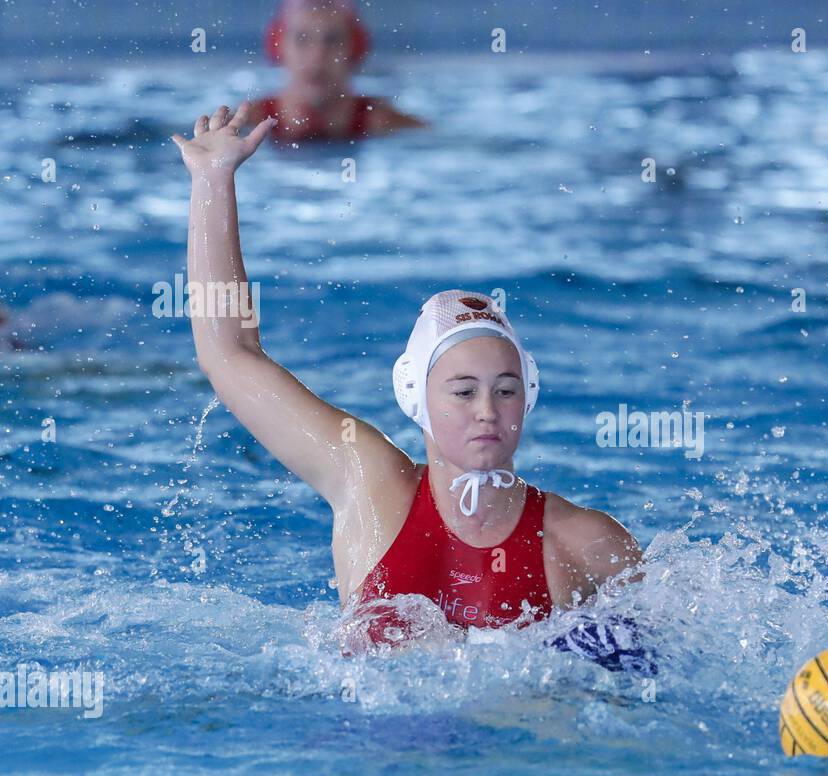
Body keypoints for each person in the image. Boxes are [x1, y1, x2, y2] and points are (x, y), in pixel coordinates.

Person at [170, 102, 643, 651]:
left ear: (528, 395)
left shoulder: (586, 544)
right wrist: (211, 181)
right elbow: (229, 354)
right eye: (463, 391)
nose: (487, 410)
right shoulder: (369, 488)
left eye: (505, 390)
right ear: (414, 395)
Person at [248, 0, 425, 143]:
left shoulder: (386, 124)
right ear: (278, 47)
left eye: (332, 40)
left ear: (355, 49)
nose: (317, 56)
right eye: (302, 39)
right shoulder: (248, 123)